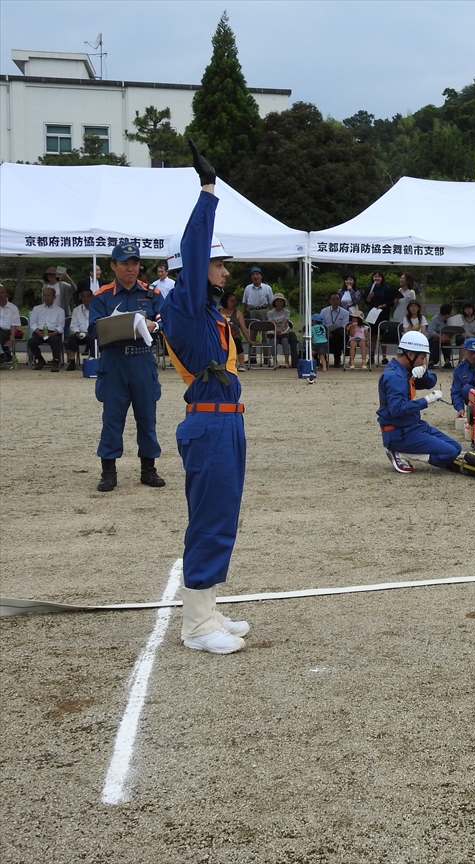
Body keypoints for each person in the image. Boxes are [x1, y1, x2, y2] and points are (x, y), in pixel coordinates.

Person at [159, 141, 252, 654]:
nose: (224, 271)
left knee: (222, 514)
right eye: (218, 264)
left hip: (225, 422)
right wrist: (208, 192)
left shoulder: (208, 313)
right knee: (212, 519)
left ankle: (206, 608)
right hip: (210, 423)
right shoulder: (185, 306)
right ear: (195, 269)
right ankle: (196, 625)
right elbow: (195, 248)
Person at [90, 241, 165, 492]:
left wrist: (156, 326)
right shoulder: (101, 296)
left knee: (147, 416)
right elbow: (93, 330)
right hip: (115, 361)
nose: (130, 269)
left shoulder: (152, 293)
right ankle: (108, 471)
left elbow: (165, 319)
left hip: (143, 359)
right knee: (112, 417)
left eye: (134, 263)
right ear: (113, 266)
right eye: (124, 264)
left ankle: (149, 469)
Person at [377, 331, 461, 474]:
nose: (423, 362)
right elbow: (397, 409)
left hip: (413, 426)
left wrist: (424, 372)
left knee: (456, 448)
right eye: (422, 358)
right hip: (399, 432)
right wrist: (426, 400)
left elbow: (431, 382)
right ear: (410, 355)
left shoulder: (404, 370)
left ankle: (406, 450)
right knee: (450, 453)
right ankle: (401, 453)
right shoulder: (395, 376)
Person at [28, 286, 66, 371]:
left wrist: (54, 333)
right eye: (45, 295)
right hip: (40, 332)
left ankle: (56, 362)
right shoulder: (37, 309)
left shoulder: (60, 311)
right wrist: (38, 332)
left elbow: (61, 326)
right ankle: (40, 359)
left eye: (49, 295)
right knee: (32, 342)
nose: (46, 297)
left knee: (55, 340)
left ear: (54, 297)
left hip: (53, 332)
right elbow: (33, 323)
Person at [266, 292, 299, 368]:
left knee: (285, 341)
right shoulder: (270, 313)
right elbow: (272, 322)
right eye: (277, 301)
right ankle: (275, 361)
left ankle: (286, 361)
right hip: (274, 331)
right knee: (273, 342)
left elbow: (285, 321)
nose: (279, 303)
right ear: (274, 302)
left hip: (284, 331)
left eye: (281, 301)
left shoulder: (287, 312)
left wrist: (280, 328)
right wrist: (277, 329)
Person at [218, 293, 249, 371]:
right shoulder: (218, 311)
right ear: (225, 301)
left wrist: (249, 339)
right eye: (231, 301)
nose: (233, 303)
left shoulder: (238, 313)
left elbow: (243, 327)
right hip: (221, 335)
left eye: (235, 301)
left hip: (234, 336)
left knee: (237, 342)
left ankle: (242, 364)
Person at [65, 285, 93, 370]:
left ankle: (92, 360)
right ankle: (72, 362)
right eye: (83, 296)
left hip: (91, 333)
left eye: (88, 296)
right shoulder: (77, 310)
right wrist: (77, 332)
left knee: (91, 339)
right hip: (80, 334)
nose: (85, 299)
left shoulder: (96, 309)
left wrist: (89, 332)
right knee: (72, 338)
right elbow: (73, 324)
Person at [321, 292, 350, 367]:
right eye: (333, 299)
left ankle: (337, 360)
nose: (335, 301)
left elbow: (344, 326)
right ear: (329, 301)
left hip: (339, 334)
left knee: (339, 335)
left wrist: (332, 332)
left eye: (337, 299)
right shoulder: (324, 311)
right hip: (326, 333)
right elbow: (322, 324)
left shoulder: (345, 313)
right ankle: (323, 359)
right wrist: (328, 332)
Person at [426, 303, 454, 368]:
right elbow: (430, 331)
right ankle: (431, 361)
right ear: (447, 313)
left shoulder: (450, 321)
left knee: (447, 343)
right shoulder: (435, 320)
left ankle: (447, 361)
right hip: (433, 338)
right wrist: (439, 336)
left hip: (445, 338)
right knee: (436, 344)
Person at [0, 283, 21, 367]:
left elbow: (13, 325)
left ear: (7, 295)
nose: (0, 295)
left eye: (2, 293)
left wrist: (12, 338)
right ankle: (1, 354)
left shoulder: (13, 308)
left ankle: (2, 354)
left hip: (6, 332)